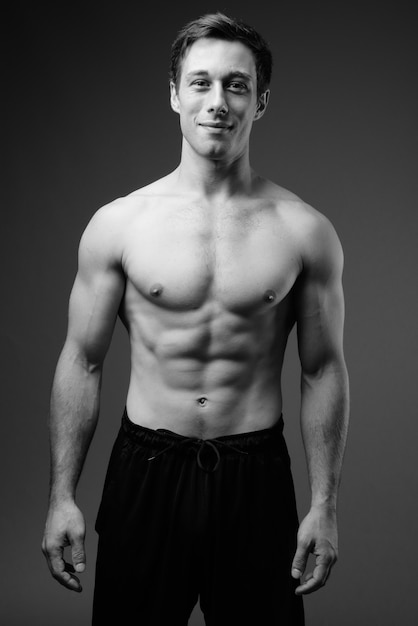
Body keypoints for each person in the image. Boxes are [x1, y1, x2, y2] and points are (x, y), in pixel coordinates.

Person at [42, 12, 349, 626]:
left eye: (237, 85)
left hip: (255, 478)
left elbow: (321, 370)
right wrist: (61, 497)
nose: (218, 101)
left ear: (260, 102)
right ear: (175, 94)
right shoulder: (120, 223)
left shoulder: (305, 231)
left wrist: (324, 504)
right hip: (146, 473)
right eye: (201, 82)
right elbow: (82, 359)